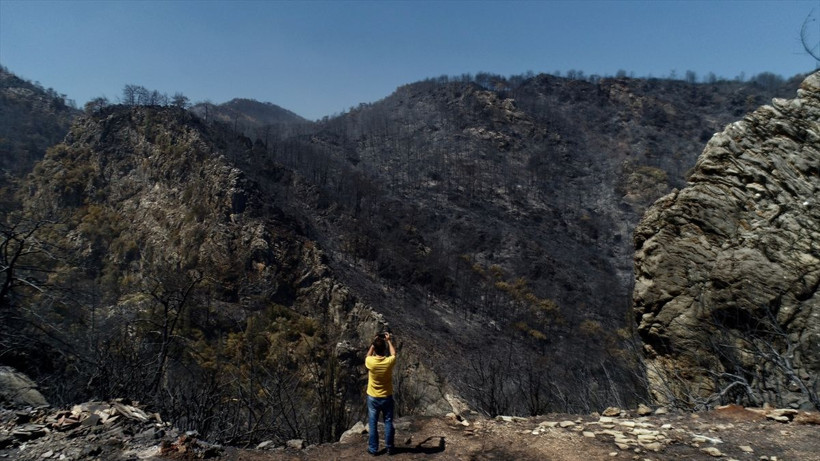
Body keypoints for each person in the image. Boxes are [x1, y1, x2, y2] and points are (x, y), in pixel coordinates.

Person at [365, 332, 397, 455]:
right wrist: (388, 340)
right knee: (388, 421)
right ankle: (390, 447)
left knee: (373, 423)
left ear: (375, 349)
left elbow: (368, 355)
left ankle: (373, 449)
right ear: (384, 350)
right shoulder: (388, 362)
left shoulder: (370, 362)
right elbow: (393, 353)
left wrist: (373, 344)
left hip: (373, 397)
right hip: (387, 396)